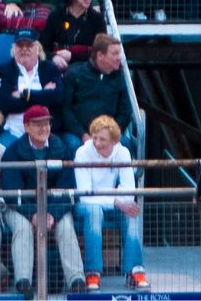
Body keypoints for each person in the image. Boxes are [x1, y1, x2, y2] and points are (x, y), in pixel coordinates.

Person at [0, 104, 83, 296]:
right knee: (22, 227)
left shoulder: (62, 149)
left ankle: (76, 280)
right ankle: (23, 282)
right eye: (38, 125)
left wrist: (50, 214)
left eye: (46, 124)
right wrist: (33, 214)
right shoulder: (12, 152)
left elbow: (67, 190)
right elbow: (12, 191)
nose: (43, 128)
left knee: (66, 226)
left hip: (53, 209)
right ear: (26, 127)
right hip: (20, 208)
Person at [74, 113, 146, 291]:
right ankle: (93, 273)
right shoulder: (82, 152)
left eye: (103, 140)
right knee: (94, 211)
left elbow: (129, 191)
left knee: (130, 212)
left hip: (111, 203)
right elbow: (85, 194)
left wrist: (119, 202)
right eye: (95, 138)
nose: (97, 143)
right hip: (86, 206)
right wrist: (116, 200)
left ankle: (135, 271)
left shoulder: (123, 152)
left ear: (114, 141)